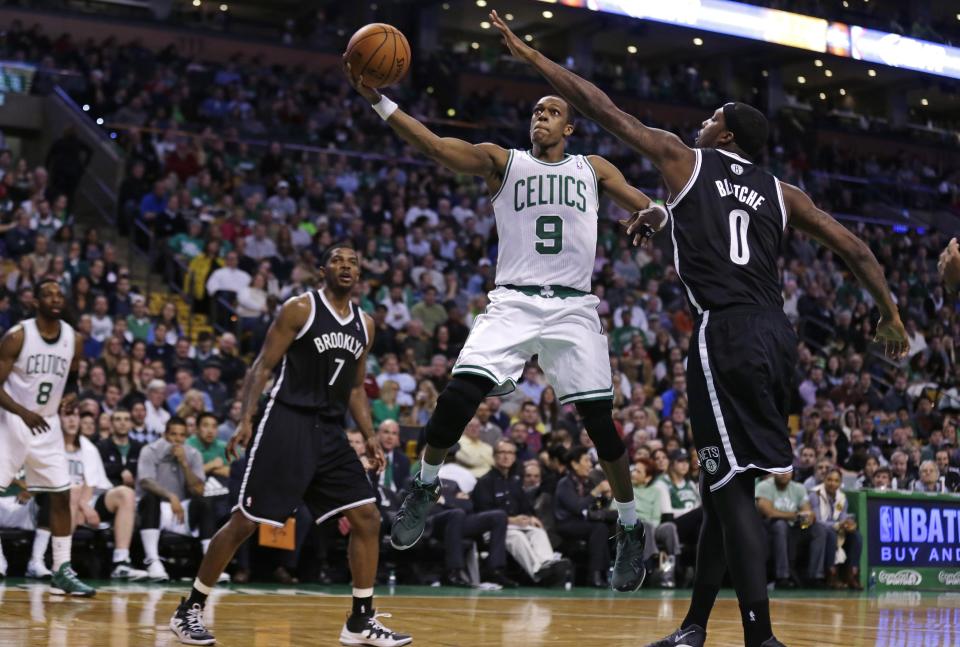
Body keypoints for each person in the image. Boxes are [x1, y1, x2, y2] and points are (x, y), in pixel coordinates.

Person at [487, 12, 909, 646]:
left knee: (729, 493)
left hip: (726, 334)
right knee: (725, 487)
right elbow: (856, 248)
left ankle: (761, 637)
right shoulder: (782, 192)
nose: (703, 121)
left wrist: (530, 57)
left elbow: (600, 109)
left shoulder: (685, 159)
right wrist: (891, 313)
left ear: (728, 133)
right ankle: (692, 628)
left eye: (713, 116)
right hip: (777, 334)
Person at [346, 51, 665, 593]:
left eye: (550, 111)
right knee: (457, 395)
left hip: (573, 306)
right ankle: (424, 487)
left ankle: (631, 527)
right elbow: (435, 146)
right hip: (513, 301)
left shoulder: (593, 168)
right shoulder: (503, 160)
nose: (539, 116)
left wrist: (650, 216)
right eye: (535, 111)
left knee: (601, 426)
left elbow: (648, 206)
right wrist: (378, 99)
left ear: (569, 125)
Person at [169, 244, 410, 647]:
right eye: (337, 260)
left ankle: (360, 620)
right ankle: (189, 609)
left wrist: (369, 436)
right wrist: (246, 418)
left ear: (360, 273)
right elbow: (262, 365)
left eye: (353, 261)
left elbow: (354, 387)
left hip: (331, 431)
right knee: (246, 520)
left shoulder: (365, 325)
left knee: (368, 518)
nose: (346, 266)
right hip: (287, 422)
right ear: (322, 270)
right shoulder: (300, 309)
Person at [0, 279, 94, 596]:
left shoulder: (73, 339)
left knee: (60, 495)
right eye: (47, 294)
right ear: (35, 301)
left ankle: (62, 569)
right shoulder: (18, 336)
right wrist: (23, 412)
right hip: (11, 424)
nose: (55, 298)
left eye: (59, 294)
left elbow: (73, 380)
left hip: (48, 426)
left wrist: (71, 396)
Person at [60, 403, 148, 580]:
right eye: (67, 416)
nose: (72, 420)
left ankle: (121, 562)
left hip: (87, 499)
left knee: (126, 493)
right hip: (60, 499)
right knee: (72, 495)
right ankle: (61, 564)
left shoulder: (89, 448)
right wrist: (81, 506)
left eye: (75, 416)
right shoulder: (52, 445)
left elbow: (91, 482)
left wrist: (84, 506)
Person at [472, 439, 571, 585]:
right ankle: (537, 572)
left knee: (537, 531)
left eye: (510, 453)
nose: (506, 456)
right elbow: (483, 512)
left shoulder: (514, 482)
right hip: (494, 530)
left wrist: (531, 518)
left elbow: (526, 507)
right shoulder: (485, 482)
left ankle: (548, 564)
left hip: (517, 525)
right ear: (494, 456)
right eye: (502, 452)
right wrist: (511, 520)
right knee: (516, 536)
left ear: (514, 457)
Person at [137, 417, 216, 583]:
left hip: (182, 511)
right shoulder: (150, 450)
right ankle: (152, 561)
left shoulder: (193, 454)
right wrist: (170, 496)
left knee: (206, 503)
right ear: (165, 434)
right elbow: (145, 481)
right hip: (155, 510)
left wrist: (184, 464)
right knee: (150, 498)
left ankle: (211, 566)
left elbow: (199, 490)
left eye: (181, 435)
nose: (177, 439)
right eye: (173, 434)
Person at [756, 473, 825, 590]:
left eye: (787, 471)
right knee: (780, 525)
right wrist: (795, 515)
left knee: (818, 529)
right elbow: (770, 513)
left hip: (795, 528)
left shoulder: (798, 488)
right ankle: (782, 577)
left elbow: (808, 514)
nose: (784, 474)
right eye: (781, 471)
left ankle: (814, 577)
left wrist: (807, 519)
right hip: (769, 528)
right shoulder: (764, 486)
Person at [809, 467, 862, 590]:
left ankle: (852, 575)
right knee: (831, 533)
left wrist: (847, 525)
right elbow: (817, 520)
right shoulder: (815, 494)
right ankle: (831, 574)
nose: (832, 483)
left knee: (856, 535)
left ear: (840, 482)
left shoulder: (842, 497)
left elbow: (842, 517)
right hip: (816, 529)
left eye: (836, 481)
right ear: (824, 480)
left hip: (836, 529)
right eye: (829, 480)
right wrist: (838, 525)